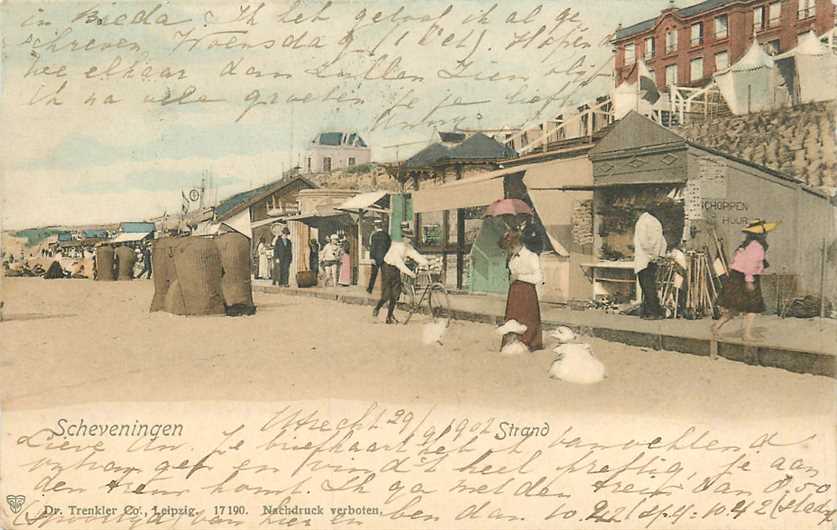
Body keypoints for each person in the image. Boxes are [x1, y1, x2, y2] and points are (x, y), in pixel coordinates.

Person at [712, 219, 776, 341]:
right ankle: (746, 334)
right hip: (746, 277)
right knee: (752, 308)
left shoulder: (745, 245)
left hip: (737, 276)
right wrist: (749, 281)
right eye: (764, 232)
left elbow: (738, 262)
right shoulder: (756, 246)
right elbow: (750, 264)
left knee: (735, 307)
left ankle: (716, 326)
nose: (766, 234)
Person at [499, 230, 544, 351]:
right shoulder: (513, 257)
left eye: (509, 248)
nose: (508, 251)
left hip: (527, 292)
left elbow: (538, 278)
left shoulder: (531, 256)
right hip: (514, 291)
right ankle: (512, 344)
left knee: (527, 318)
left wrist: (519, 277)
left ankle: (529, 343)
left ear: (515, 245)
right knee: (513, 317)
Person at [373, 225, 428, 324]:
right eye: (408, 238)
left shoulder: (408, 247)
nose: (410, 240)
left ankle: (389, 317)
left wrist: (426, 262)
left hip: (396, 270)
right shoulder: (397, 247)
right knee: (386, 295)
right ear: (403, 238)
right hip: (387, 268)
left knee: (395, 295)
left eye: (411, 238)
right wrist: (410, 273)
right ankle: (377, 307)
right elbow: (399, 263)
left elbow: (415, 255)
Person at [633, 207, 667, 320]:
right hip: (653, 259)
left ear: (638, 212)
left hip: (644, 258)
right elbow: (662, 241)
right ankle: (650, 311)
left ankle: (654, 312)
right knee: (650, 285)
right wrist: (658, 255)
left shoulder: (642, 222)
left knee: (647, 286)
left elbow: (643, 242)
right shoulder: (656, 221)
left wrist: (650, 254)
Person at [367, 218, 391, 294]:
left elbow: (373, 247)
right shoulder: (386, 235)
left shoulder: (374, 235)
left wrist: (372, 258)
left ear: (376, 227)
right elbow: (389, 246)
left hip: (376, 258)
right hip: (385, 258)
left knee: (373, 274)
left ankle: (370, 289)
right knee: (385, 275)